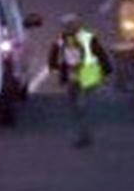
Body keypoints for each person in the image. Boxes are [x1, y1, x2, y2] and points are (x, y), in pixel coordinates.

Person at [48, 13, 113, 147]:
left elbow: (100, 53)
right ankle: (83, 133)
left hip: (87, 74)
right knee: (76, 107)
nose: (66, 28)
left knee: (82, 106)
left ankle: (83, 135)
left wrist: (106, 70)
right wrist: (54, 67)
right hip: (74, 75)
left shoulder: (86, 37)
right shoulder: (63, 39)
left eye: (68, 26)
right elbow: (53, 53)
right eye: (65, 26)